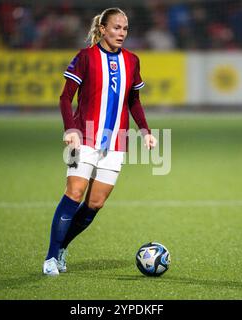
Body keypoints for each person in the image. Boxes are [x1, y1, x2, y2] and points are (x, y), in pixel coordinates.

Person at [43, 7, 157, 276]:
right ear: (103, 29)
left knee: (95, 203)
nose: (121, 33)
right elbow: (64, 98)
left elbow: (134, 100)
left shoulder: (132, 61)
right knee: (74, 192)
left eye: (125, 28)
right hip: (83, 136)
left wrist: (145, 130)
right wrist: (69, 129)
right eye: (116, 27)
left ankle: (61, 247)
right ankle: (50, 258)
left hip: (116, 142)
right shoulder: (86, 57)